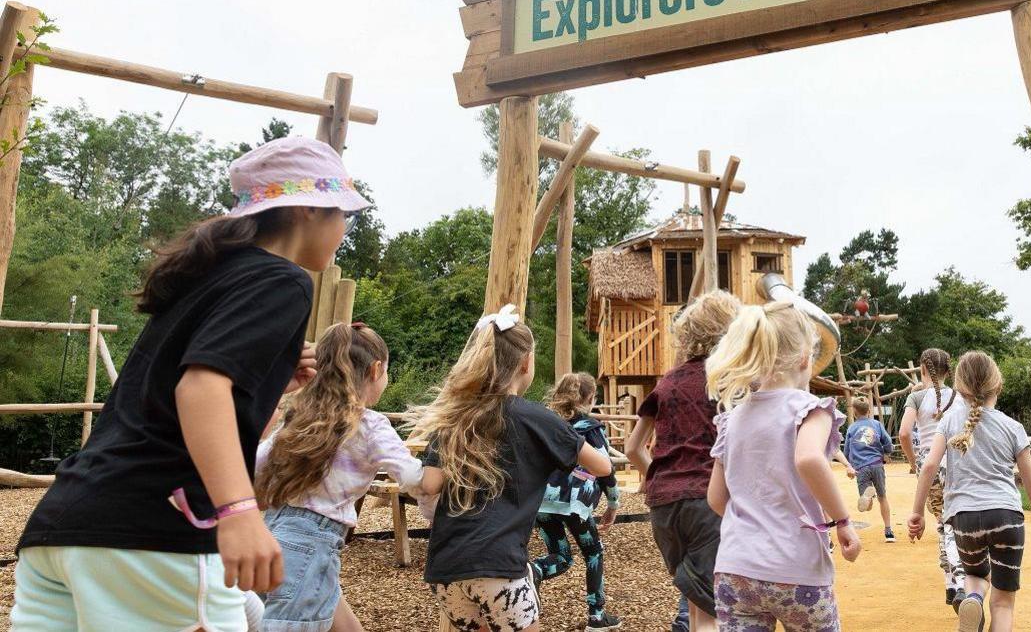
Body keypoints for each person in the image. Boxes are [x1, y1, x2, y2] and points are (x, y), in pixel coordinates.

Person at [11, 136, 368, 632]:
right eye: (342, 214)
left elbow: (198, 407)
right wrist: (240, 513)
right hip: (157, 535)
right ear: (308, 209)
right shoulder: (282, 280)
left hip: (67, 526)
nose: (344, 229)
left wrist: (268, 383)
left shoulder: (206, 279)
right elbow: (199, 390)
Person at [411, 306, 613, 632]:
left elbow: (431, 483)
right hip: (500, 568)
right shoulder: (537, 418)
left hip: (446, 572)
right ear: (525, 362)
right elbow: (602, 466)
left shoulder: (455, 419)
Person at [255, 322, 431, 632]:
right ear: (376, 370)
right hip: (313, 544)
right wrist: (441, 470)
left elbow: (255, 463)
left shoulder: (300, 415)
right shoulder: (370, 425)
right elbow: (412, 477)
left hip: (270, 533)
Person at [706, 301, 861, 632]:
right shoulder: (809, 409)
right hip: (797, 570)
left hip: (736, 569)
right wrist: (842, 521)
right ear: (805, 358)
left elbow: (717, 500)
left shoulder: (731, 419)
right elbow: (808, 459)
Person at [624, 289, 741, 632]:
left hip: (663, 508)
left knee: (694, 605)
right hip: (710, 501)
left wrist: (661, 477)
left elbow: (633, 448)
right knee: (713, 614)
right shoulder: (728, 379)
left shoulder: (667, 382)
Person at [907, 351, 1031, 632]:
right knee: (1004, 602)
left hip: (964, 517)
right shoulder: (1013, 427)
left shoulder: (948, 422)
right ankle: (979, 600)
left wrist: (916, 513)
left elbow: (929, 466)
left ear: (959, 388)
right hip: (1006, 516)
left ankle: (972, 596)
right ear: (998, 386)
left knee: (975, 575)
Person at [532, 372, 622, 630]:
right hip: (575, 504)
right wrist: (613, 505)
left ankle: (533, 571)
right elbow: (607, 471)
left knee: (559, 556)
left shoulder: (546, 424)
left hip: (544, 501)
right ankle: (597, 616)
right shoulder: (591, 429)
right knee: (593, 552)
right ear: (590, 398)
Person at [898, 348, 965, 606]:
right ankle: (955, 584)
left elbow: (904, 433)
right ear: (948, 371)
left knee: (943, 522)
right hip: (958, 462)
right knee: (949, 522)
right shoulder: (960, 396)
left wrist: (913, 462)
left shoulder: (916, 399)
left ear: (922, 370)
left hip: (931, 464)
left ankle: (955, 582)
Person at [844, 396, 895, 542]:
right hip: (877, 465)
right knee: (883, 497)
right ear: (869, 410)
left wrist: (849, 466)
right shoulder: (877, 424)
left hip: (861, 467)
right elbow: (888, 442)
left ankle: (868, 499)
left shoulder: (852, 428)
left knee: (867, 505)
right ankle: (888, 532)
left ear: (854, 411)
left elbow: (847, 451)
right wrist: (887, 451)